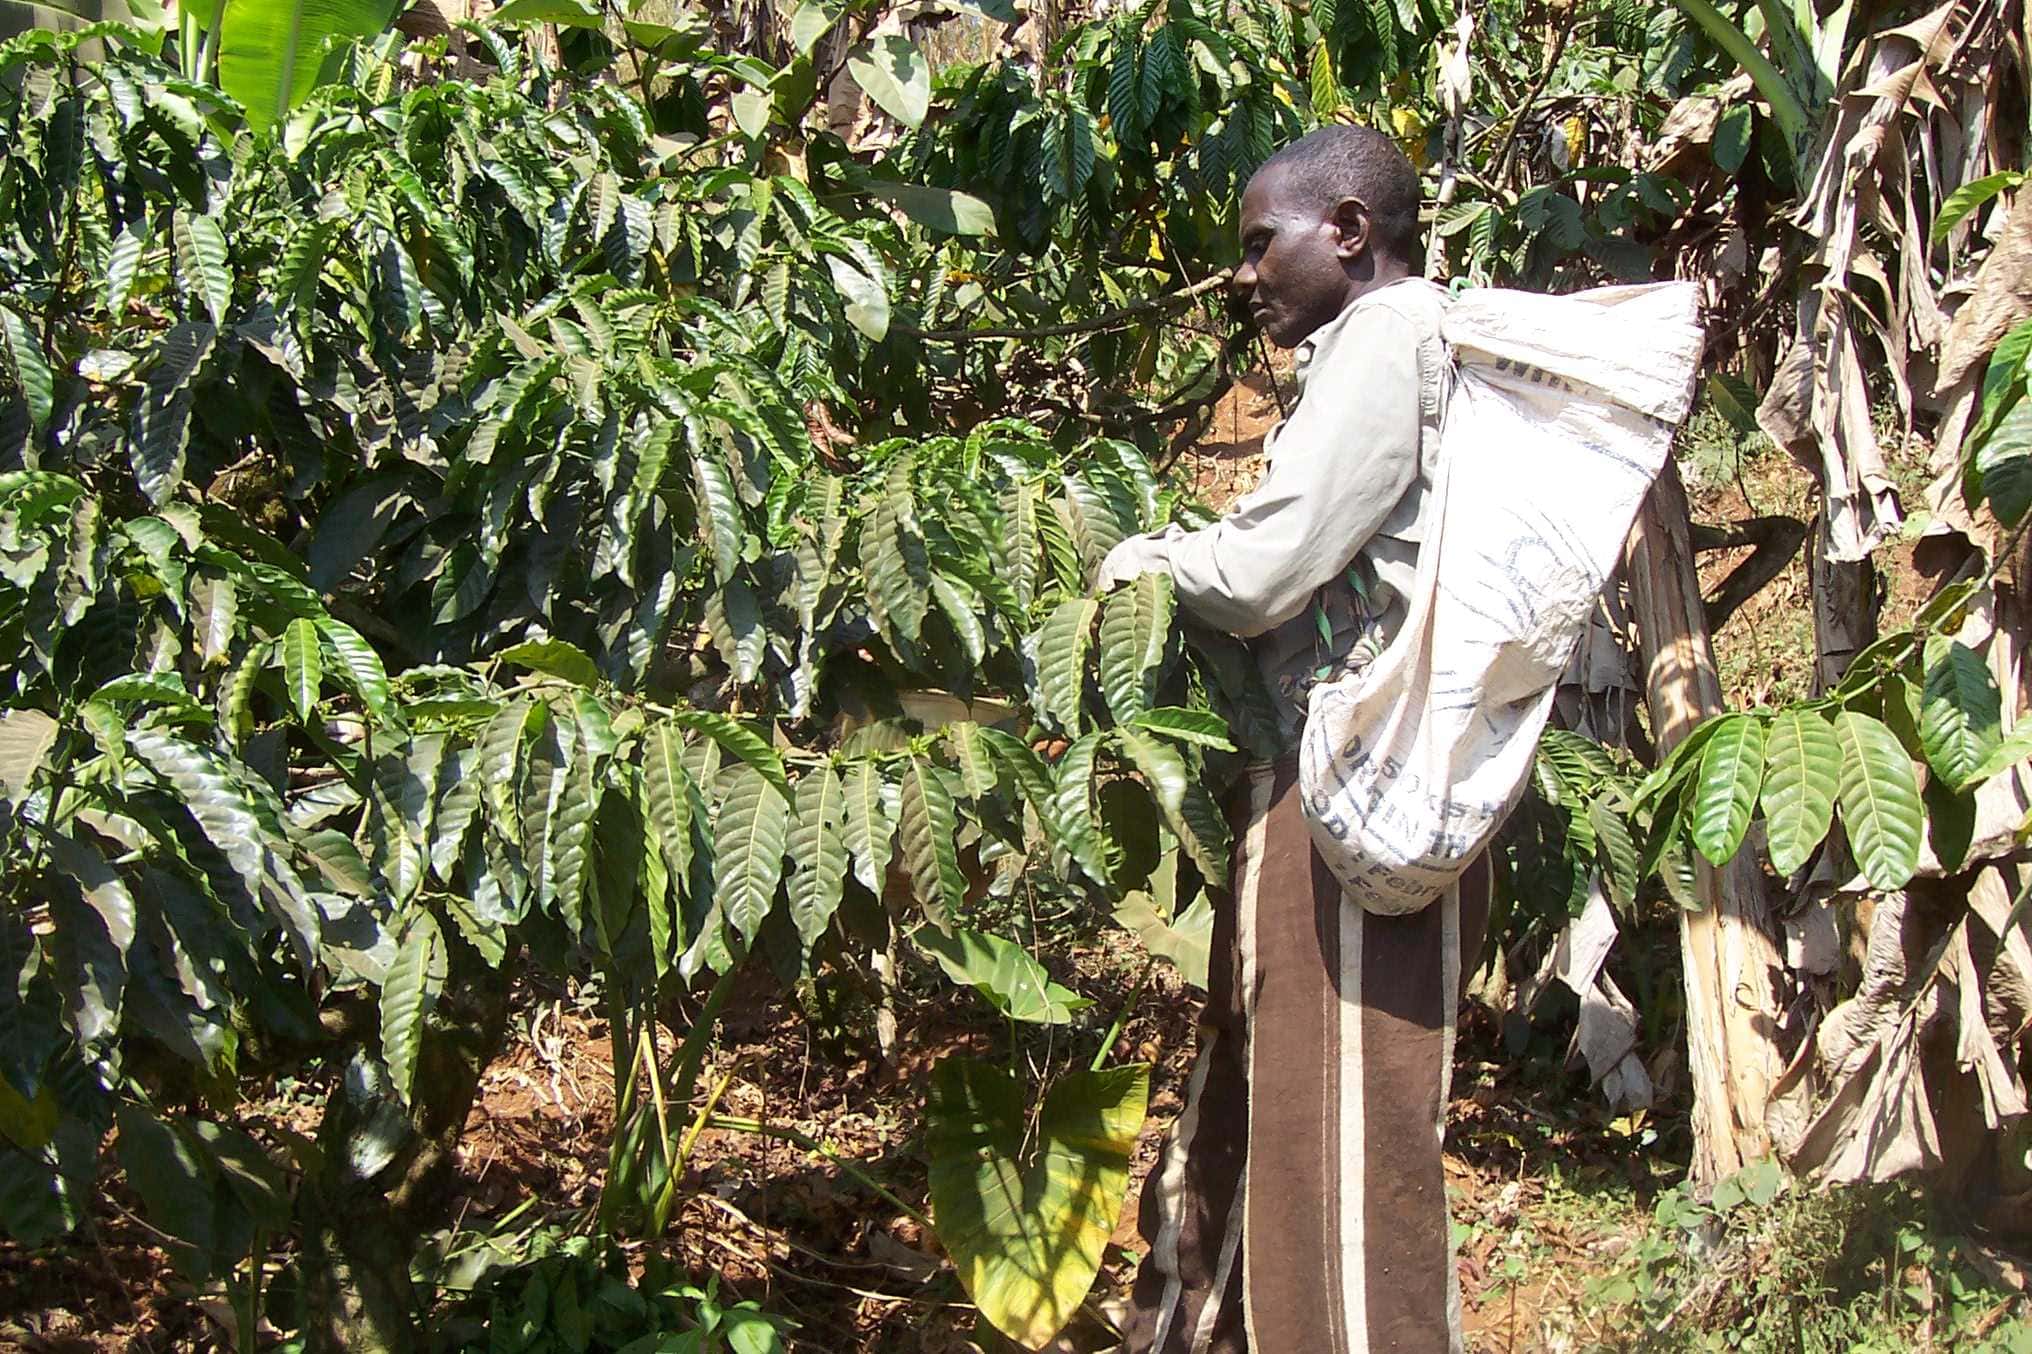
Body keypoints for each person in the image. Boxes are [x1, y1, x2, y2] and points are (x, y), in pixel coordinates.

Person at [1098, 125, 1490, 1354]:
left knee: (1345, 1138)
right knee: (1284, 1100)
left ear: (1349, 232)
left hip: (1352, 791)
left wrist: (1138, 562)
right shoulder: (1379, 344)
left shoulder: (1387, 333)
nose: (1242, 271)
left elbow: (1270, 562)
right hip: (1333, 789)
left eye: (1260, 242)